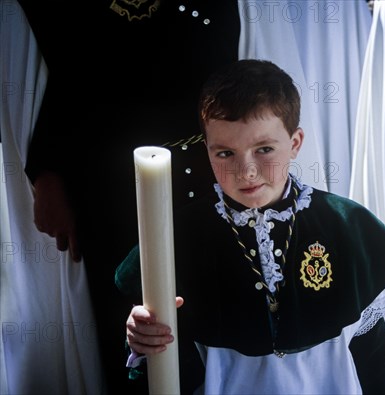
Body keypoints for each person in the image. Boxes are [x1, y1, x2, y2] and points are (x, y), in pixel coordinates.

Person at [116, 59, 385, 394]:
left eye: (264, 149)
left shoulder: (347, 227)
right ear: (207, 150)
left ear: (295, 143)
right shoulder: (178, 236)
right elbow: (163, 364)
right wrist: (141, 342)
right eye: (225, 153)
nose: (247, 171)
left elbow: (371, 356)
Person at [17, 1, 241, 392]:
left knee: (213, 310)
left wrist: (246, 160)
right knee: (127, 317)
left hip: (209, 173)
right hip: (103, 187)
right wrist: (47, 170)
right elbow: (64, 68)